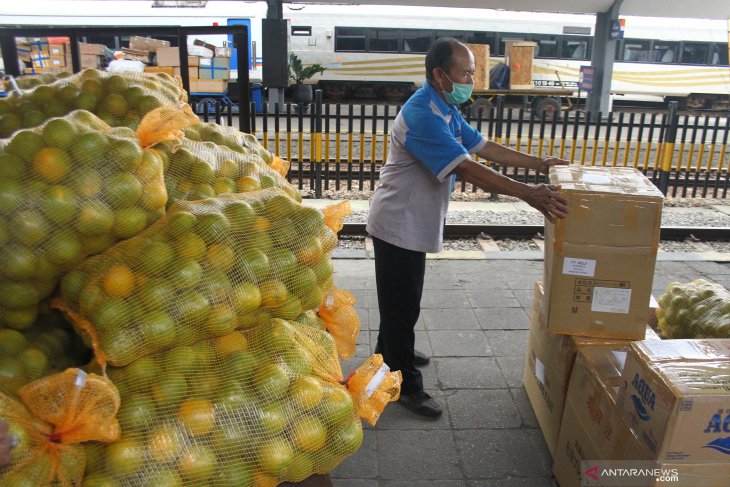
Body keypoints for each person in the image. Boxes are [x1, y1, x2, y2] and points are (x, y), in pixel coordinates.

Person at [366, 37, 570, 417]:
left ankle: (391, 352)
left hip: (412, 221)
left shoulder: (444, 106)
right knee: (402, 306)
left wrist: (539, 165)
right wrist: (528, 193)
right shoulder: (423, 115)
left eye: (474, 73)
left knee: (401, 302)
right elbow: (465, 166)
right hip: (397, 223)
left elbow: (484, 147)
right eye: (465, 73)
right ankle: (405, 384)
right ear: (440, 75)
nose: (471, 80)